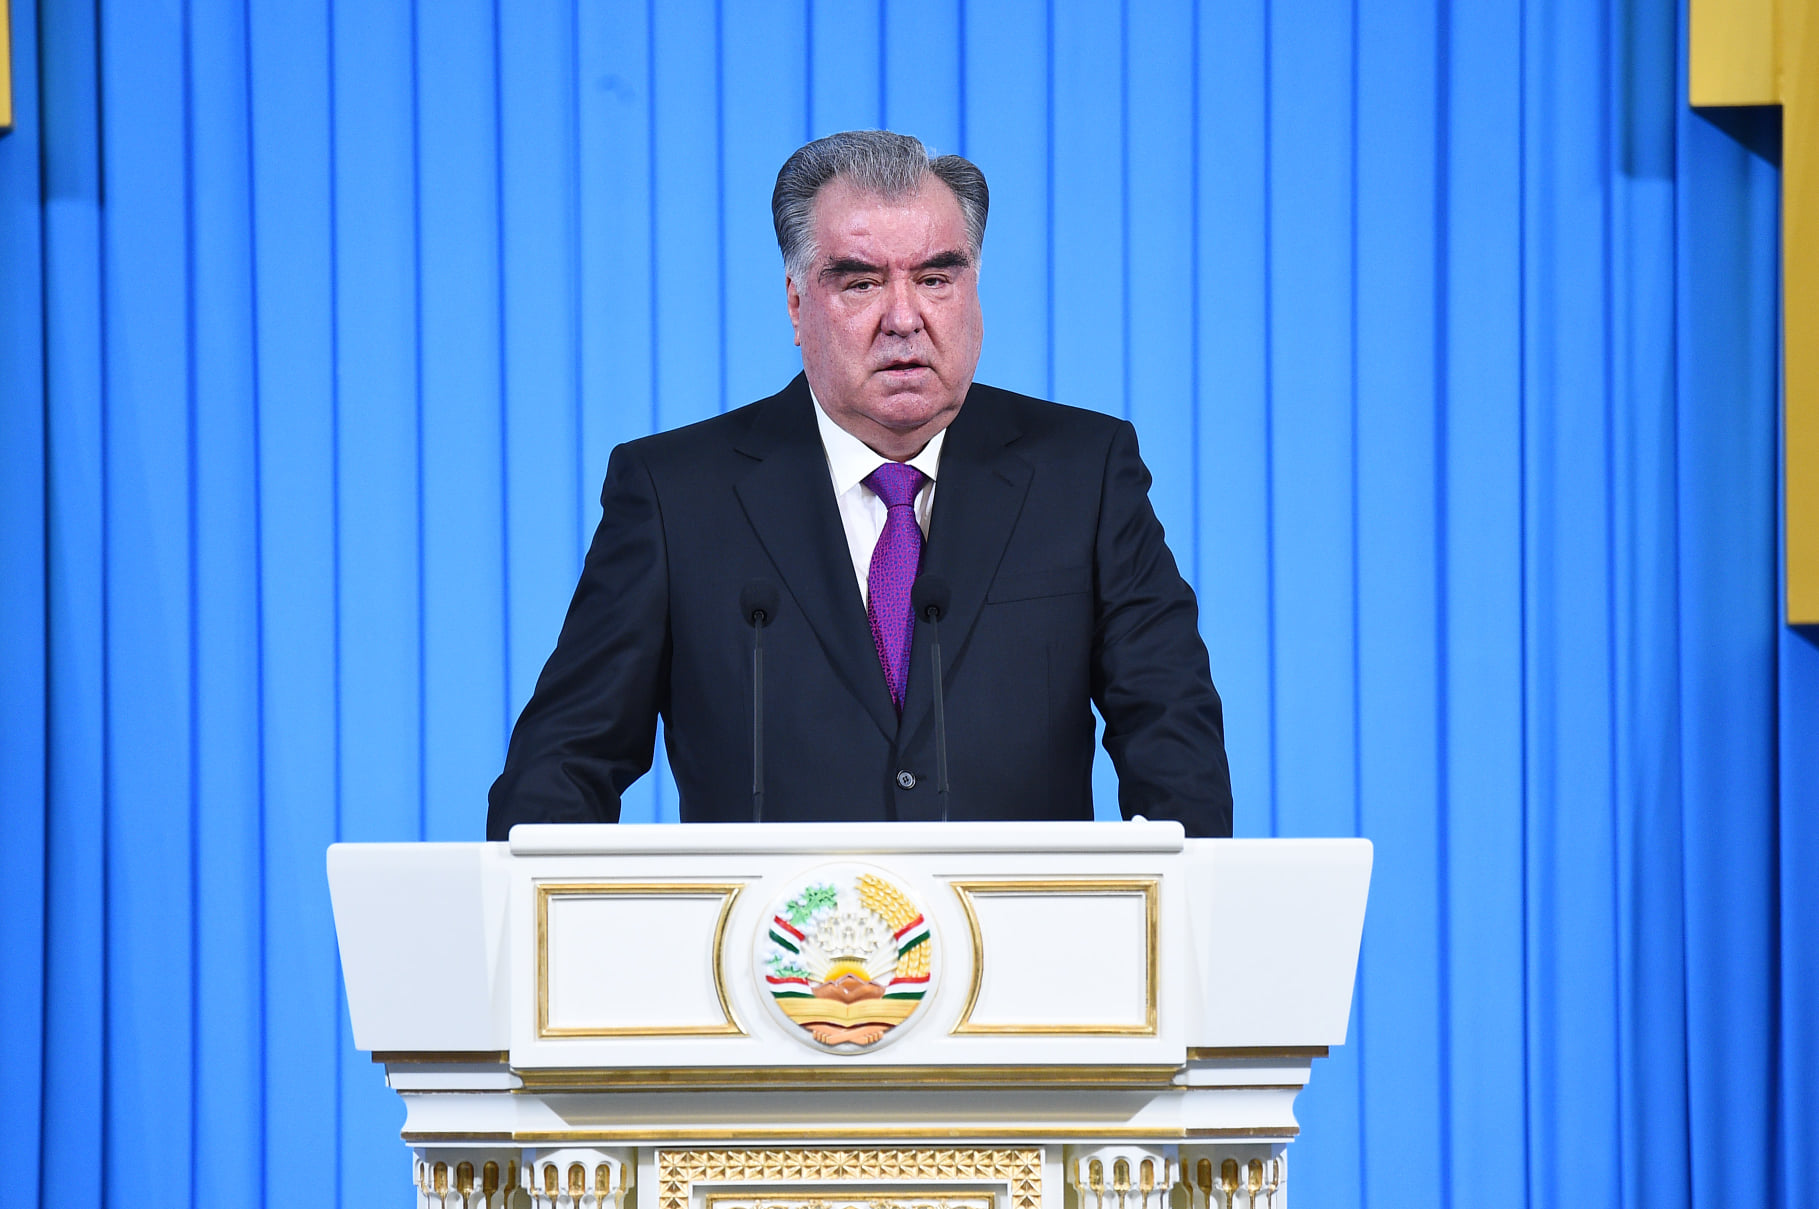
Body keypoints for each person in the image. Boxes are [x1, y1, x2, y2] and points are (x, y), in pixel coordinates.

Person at [486, 130, 1232, 839]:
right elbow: (563, 768)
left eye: (935, 279)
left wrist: (1180, 916)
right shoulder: (675, 494)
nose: (904, 319)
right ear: (795, 303)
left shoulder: (1083, 471)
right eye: (861, 282)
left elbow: (1173, 741)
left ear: (973, 291)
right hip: (771, 932)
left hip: (1017, 926)